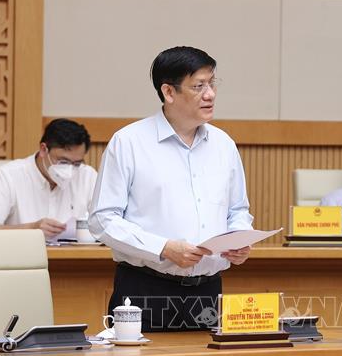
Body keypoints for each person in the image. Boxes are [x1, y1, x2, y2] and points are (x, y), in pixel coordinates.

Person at [89, 46, 253, 332]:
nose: (210, 94)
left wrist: (238, 239)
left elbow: (237, 210)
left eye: (212, 83)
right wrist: (163, 248)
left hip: (208, 294)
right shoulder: (129, 142)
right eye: (198, 86)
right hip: (145, 289)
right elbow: (103, 220)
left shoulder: (223, 145)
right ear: (169, 92)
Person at [0, 119, 97, 241]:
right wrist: (32, 229)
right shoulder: (9, 175)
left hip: (75, 254)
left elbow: (105, 224)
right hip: (22, 253)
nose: (69, 170)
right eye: (63, 162)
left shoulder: (87, 176)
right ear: (43, 150)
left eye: (76, 163)